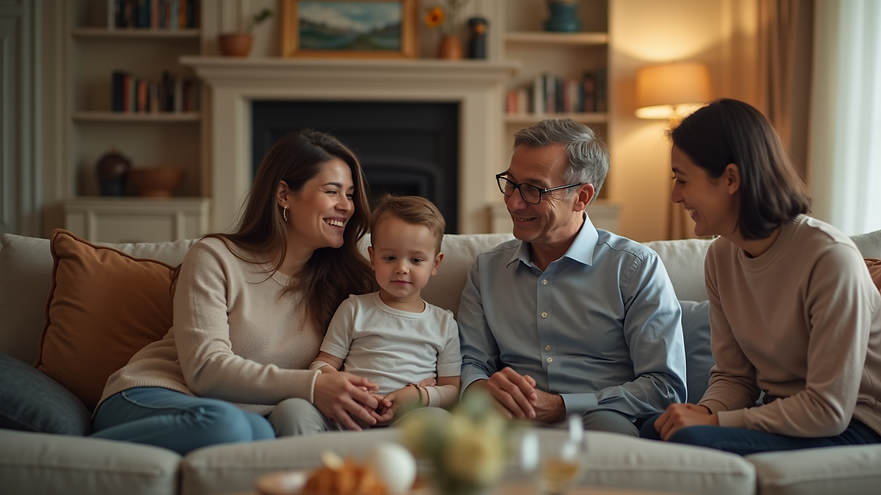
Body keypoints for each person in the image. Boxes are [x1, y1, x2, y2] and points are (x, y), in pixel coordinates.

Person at [91, 128, 385, 455]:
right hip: (153, 397)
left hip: (242, 423)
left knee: (257, 432)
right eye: (333, 191)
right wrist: (313, 386)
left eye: (350, 194)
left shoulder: (346, 286)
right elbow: (204, 370)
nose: (347, 206)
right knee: (230, 425)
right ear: (284, 194)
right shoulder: (216, 257)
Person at [641, 99, 881, 454]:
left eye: (682, 180)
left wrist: (714, 423)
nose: (676, 196)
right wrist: (703, 411)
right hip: (782, 416)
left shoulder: (830, 258)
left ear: (731, 179)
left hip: (856, 425)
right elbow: (734, 377)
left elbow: (829, 410)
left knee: (689, 438)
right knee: (654, 427)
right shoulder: (721, 258)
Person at [457, 118, 687, 437]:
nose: (513, 202)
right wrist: (481, 389)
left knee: (604, 435)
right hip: (508, 424)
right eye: (510, 183)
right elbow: (471, 362)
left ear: (582, 197)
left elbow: (665, 387)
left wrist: (565, 405)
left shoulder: (635, 268)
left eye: (534, 189)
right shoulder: (486, 271)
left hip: (604, 420)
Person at [304, 194, 461, 431]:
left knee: (443, 424)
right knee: (293, 410)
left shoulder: (444, 323)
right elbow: (323, 363)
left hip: (408, 419)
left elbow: (452, 390)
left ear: (435, 264)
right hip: (348, 411)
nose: (401, 268)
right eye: (389, 257)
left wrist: (420, 396)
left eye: (416, 260)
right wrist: (340, 384)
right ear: (372, 258)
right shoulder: (354, 308)